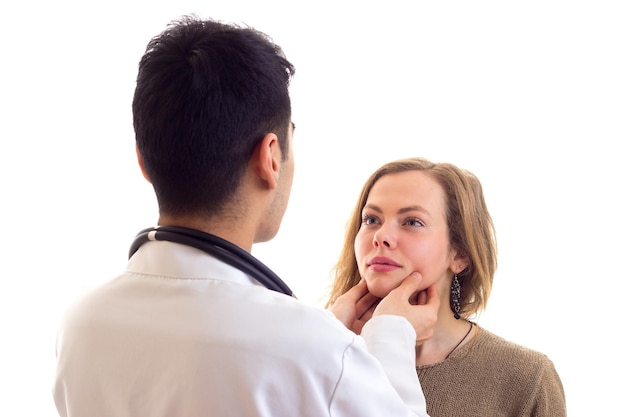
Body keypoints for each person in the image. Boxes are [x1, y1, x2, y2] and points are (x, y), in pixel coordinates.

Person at [52, 15, 440, 417]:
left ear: (143, 161)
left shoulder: (81, 323)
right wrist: (390, 336)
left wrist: (323, 342)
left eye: (412, 221)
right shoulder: (314, 349)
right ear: (270, 156)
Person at [325, 157, 567, 417]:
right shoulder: (324, 349)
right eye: (372, 219)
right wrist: (325, 345)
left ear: (460, 254)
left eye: (412, 222)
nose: (380, 236)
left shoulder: (526, 379)